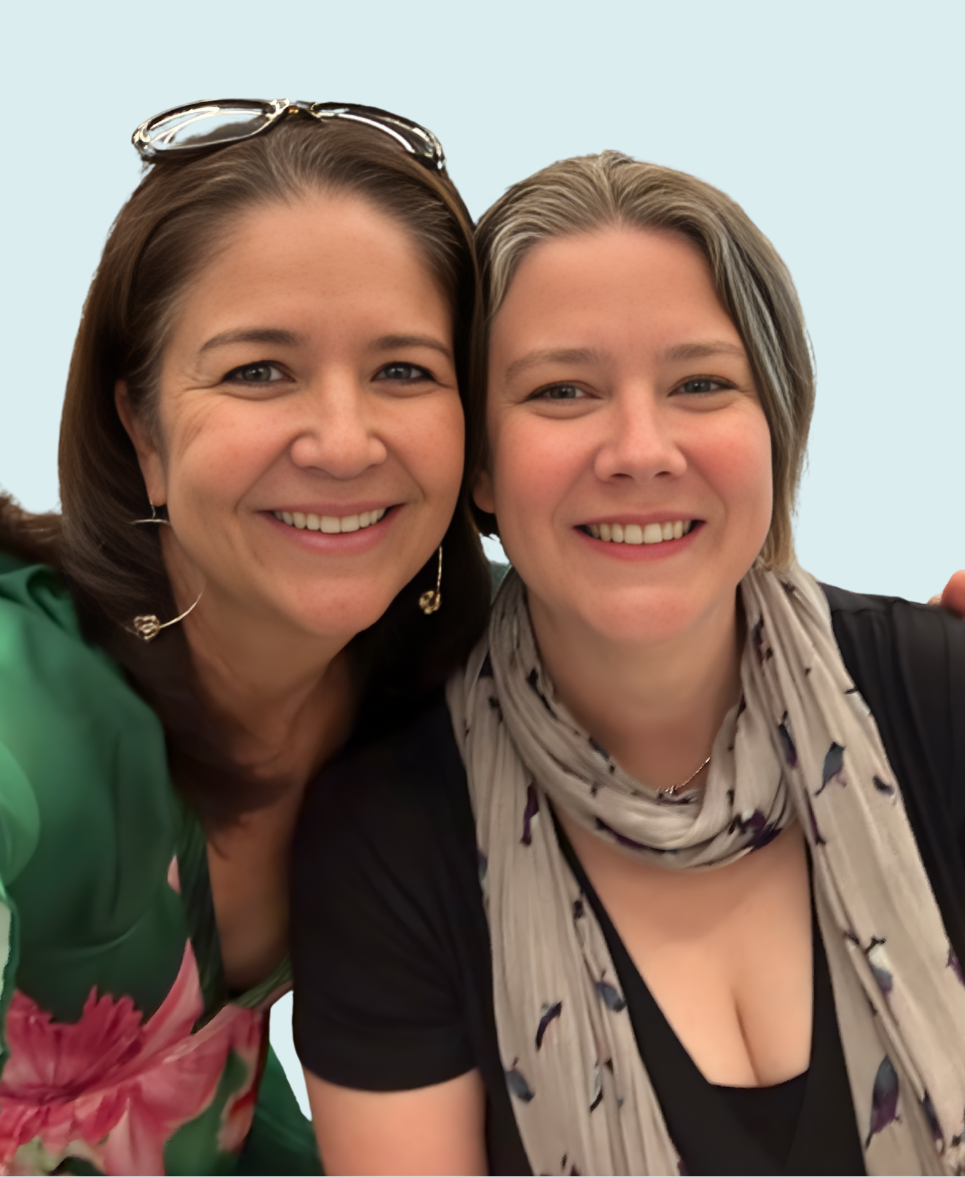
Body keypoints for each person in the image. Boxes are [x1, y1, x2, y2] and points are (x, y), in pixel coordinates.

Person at [292, 149, 965, 1175]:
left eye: (701, 382)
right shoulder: (387, 837)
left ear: (777, 429)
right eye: (563, 391)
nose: (640, 450)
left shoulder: (944, 699)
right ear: (476, 464)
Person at [0, 99, 492, 1175]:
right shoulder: (15, 692)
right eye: (260, 370)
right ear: (142, 428)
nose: (345, 442)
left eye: (404, 370)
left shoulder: (437, 664)